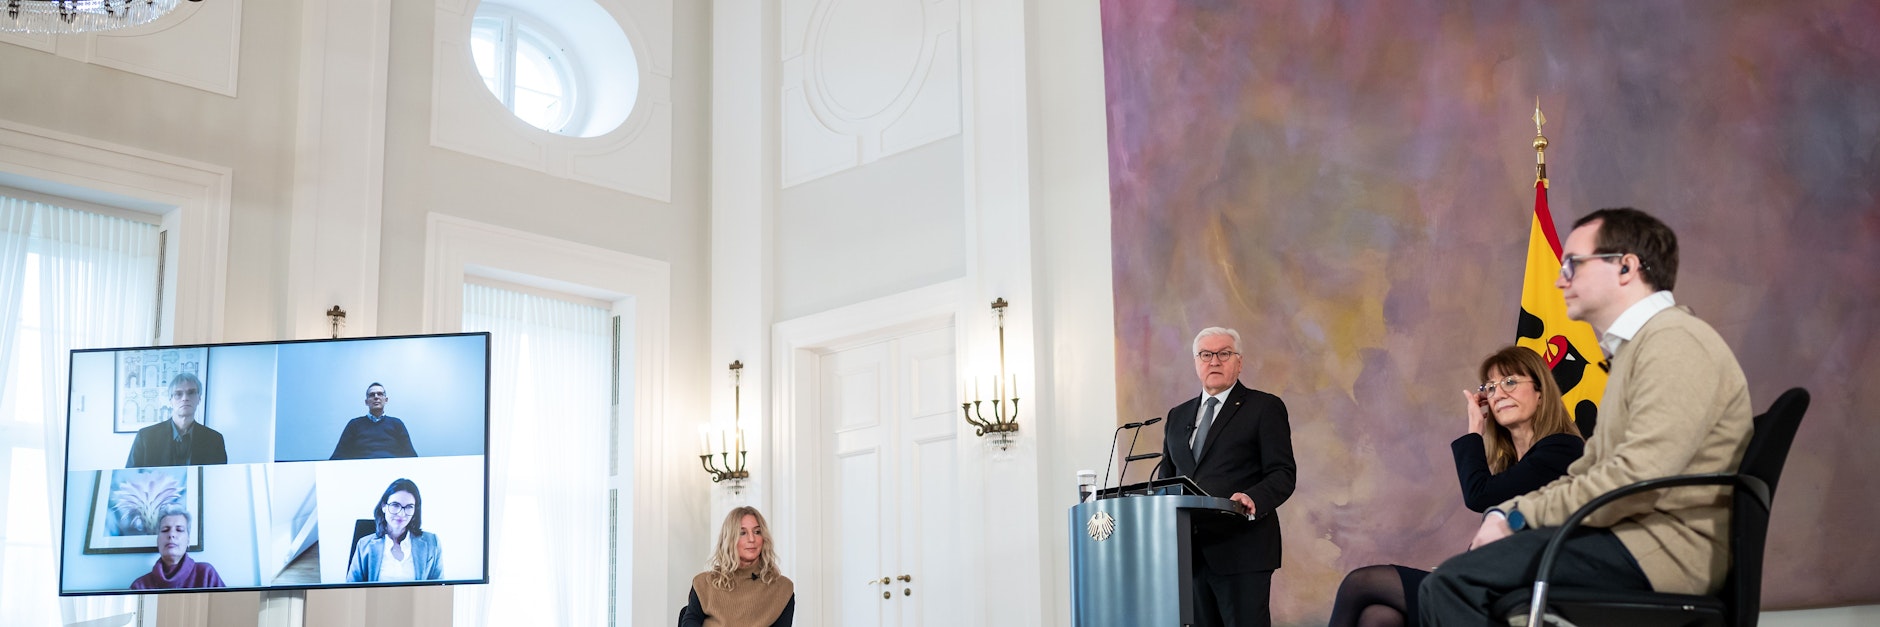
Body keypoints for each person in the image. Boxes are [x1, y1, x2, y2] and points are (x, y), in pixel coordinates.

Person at [1419, 207, 1753, 625]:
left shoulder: (1674, 342)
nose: (1561, 280)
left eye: (1574, 264)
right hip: (1630, 539)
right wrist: (1509, 513)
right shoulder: (1639, 350)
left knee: (1453, 583)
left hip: (1661, 551)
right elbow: (1588, 471)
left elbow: (1636, 481)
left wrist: (1517, 517)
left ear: (1626, 267)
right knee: (1454, 581)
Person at [1328, 346, 1585, 627]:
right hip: (1494, 583)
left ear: (1540, 391)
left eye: (1510, 382)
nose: (1498, 393)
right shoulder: (1513, 465)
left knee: (1361, 583)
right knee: (1378, 617)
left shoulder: (1561, 448)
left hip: (1526, 590)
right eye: (1490, 387)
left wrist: (1475, 429)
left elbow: (1479, 495)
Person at [1153, 326, 1296, 627]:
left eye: (1224, 353)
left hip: (1242, 552)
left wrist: (1253, 497)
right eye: (1206, 354)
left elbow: (1282, 473)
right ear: (1196, 362)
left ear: (1239, 362)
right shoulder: (1177, 416)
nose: (1214, 361)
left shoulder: (1264, 407)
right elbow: (1167, 479)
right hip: (1188, 557)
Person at [679, 506, 795, 627]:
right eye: (742, 533)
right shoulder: (704, 583)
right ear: (729, 539)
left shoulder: (782, 588)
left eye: (757, 532)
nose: (752, 539)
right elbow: (689, 622)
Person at [348, 478, 442, 582]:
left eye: (409, 507)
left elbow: (439, 590)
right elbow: (351, 591)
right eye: (395, 505)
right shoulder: (364, 545)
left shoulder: (432, 543)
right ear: (384, 506)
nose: (401, 513)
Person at [127, 373, 228, 467]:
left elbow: (219, 479)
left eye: (191, 392)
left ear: (199, 398)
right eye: (178, 394)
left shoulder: (215, 440)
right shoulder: (145, 437)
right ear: (170, 400)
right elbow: (129, 478)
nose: (185, 398)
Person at [130, 508, 226, 589]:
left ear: (188, 541)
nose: (171, 534)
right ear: (157, 541)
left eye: (179, 530)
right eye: (165, 530)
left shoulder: (206, 574)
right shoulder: (140, 585)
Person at [330, 382, 419, 459]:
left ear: (386, 400)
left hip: (392, 472)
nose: (376, 397)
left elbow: (411, 455)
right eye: (372, 395)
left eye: (380, 394)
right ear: (366, 402)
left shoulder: (397, 424)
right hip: (361, 472)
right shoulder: (354, 425)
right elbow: (338, 455)